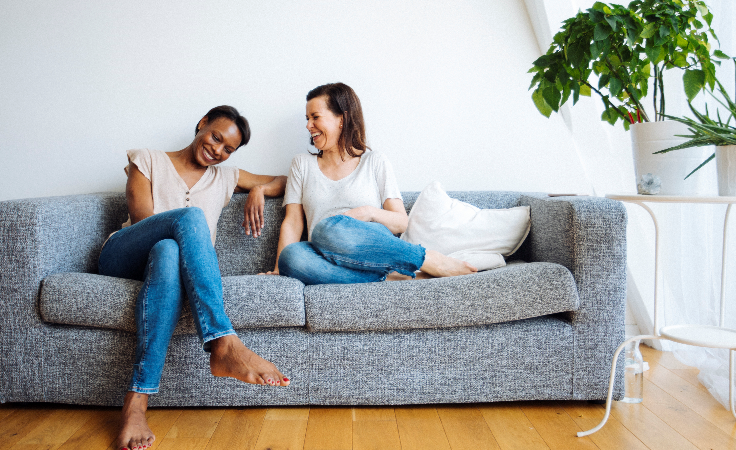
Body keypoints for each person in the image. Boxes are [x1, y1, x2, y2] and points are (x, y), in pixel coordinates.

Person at [98, 106, 289, 450]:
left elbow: (287, 181)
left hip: (166, 265)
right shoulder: (148, 160)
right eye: (216, 137)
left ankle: (136, 405)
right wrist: (187, 220)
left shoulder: (226, 177)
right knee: (184, 223)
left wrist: (259, 189)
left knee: (170, 253)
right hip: (123, 255)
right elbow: (144, 223)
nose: (218, 150)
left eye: (228, 148)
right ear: (202, 125)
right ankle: (223, 343)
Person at [263, 83, 477, 284]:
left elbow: (401, 222)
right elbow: (292, 222)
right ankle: (389, 278)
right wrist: (278, 269)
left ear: (342, 119)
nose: (309, 125)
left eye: (315, 117)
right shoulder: (301, 164)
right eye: (307, 118)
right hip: (323, 255)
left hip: (369, 244)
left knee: (325, 229)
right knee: (291, 257)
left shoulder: (375, 161)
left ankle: (428, 259)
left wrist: (367, 212)